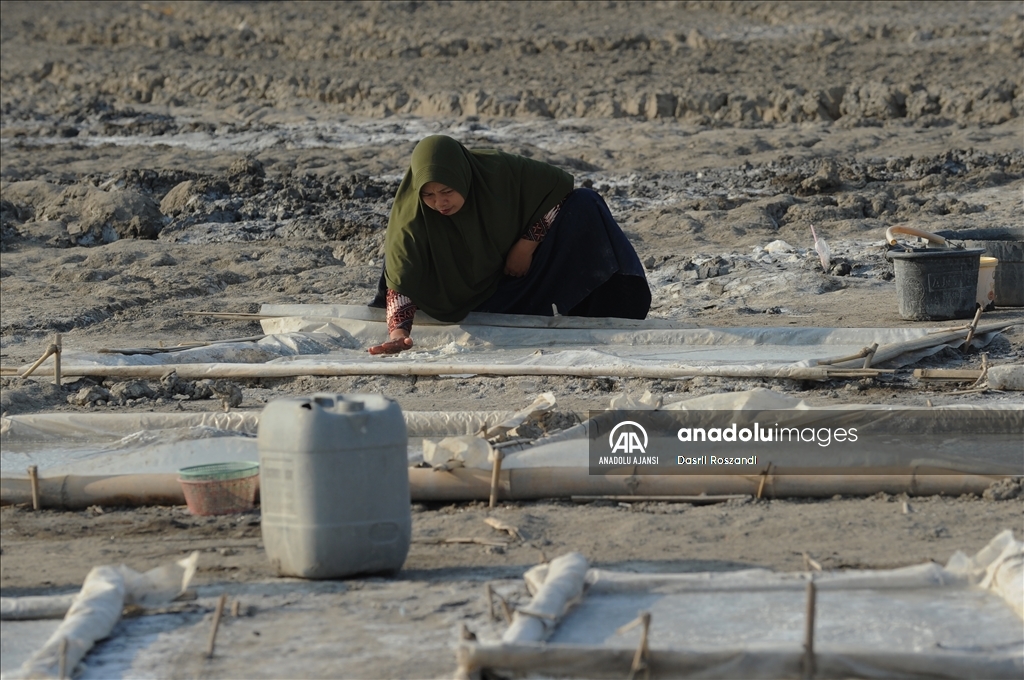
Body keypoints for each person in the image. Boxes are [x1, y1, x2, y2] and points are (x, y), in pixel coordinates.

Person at [368, 135, 651, 355]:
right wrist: (399, 334)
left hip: (521, 283)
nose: (439, 203)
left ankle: (609, 306)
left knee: (586, 203)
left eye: (447, 191)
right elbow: (401, 278)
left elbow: (560, 191)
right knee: (395, 258)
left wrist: (526, 245)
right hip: (471, 303)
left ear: (463, 177)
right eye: (428, 195)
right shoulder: (411, 219)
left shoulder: (498, 172)